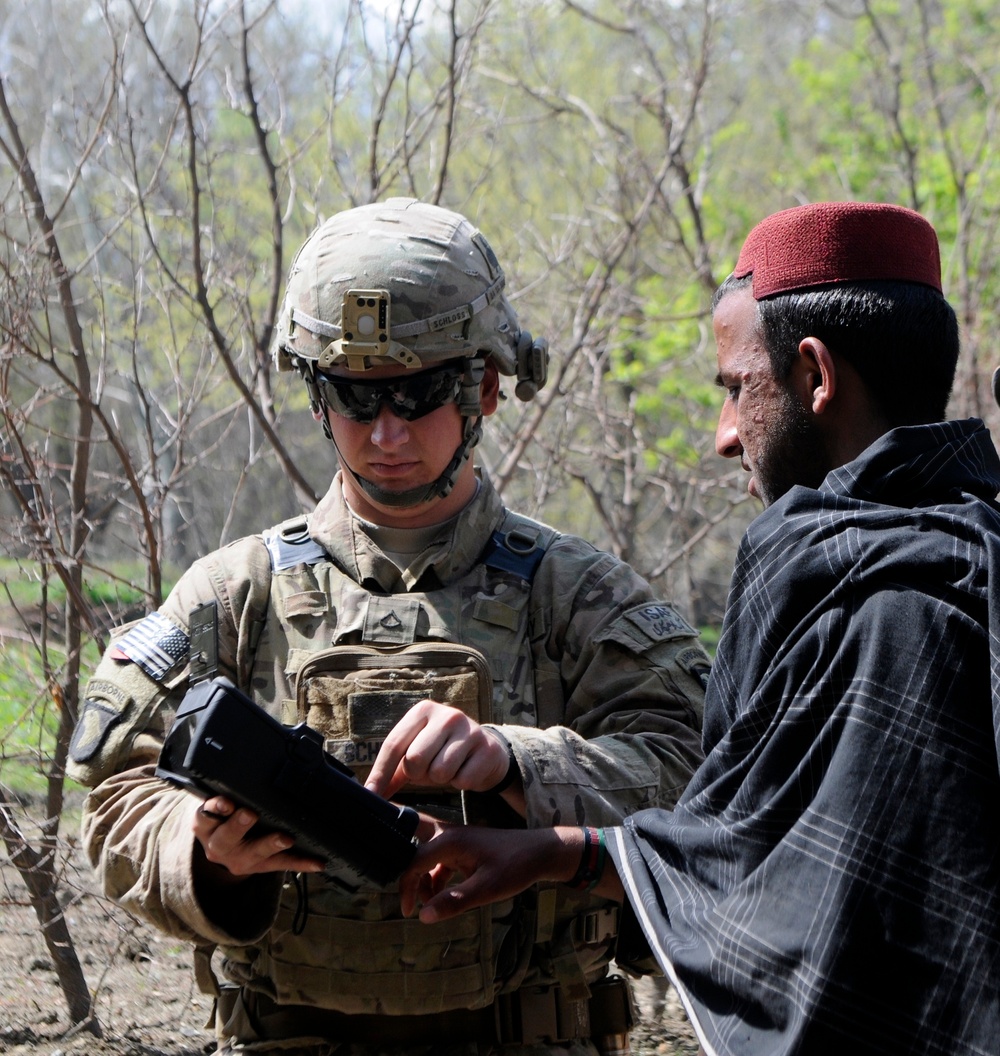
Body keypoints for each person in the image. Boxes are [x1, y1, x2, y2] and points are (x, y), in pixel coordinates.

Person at [67, 197, 710, 1056]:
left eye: (417, 392)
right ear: (315, 391)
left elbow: (705, 783)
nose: (384, 432)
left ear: (484, 383)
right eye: (353, 395)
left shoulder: (578, 596)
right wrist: (206, 853)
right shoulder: (234, 593)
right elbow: (114, 799)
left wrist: (518, 761)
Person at [398, 201, 1000, 1055]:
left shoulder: (890, 619)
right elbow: (760, 846)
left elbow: (817, 933)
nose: (724, 436)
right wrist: (549, 852)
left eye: (735, 389)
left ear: (814, 375)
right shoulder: (972, 558)